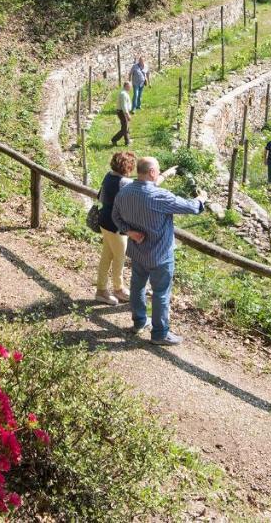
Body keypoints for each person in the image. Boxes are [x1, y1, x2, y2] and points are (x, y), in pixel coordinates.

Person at [112, 156, 205, 346]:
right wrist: (201, 199)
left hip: (138, 251)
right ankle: (160, 333)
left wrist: (129, 232)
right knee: (161, 293)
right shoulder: (160, 196)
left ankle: (139, 322)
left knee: (137, 287)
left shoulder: (125, 191)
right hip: (160, 255)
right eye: (158, 170)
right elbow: (190, 207)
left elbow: (115, 216)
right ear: (152, 172)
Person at [94, 150, 136, 305]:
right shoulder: (126, 183)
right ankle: (118, 289)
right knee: (119, 257)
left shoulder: (108, 176)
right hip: (116, 227)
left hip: (104, 221)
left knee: (107, 256)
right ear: (127, 167)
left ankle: (101, 290)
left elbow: (101, 196)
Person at [111, 81, 133, 146]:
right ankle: (114, 139)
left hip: (123, 112)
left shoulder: (124, 93)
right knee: (124, 128)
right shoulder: (123, 94)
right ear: (126, 86)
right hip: (122, 112)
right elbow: (124, 106)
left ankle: (127, 141)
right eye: (130, 86)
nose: (131, 88)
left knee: (126, 126)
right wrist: (127, 114)